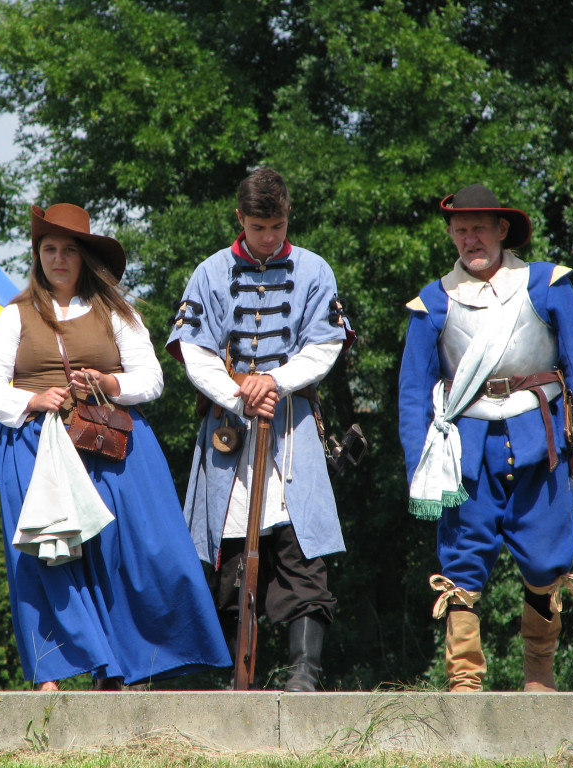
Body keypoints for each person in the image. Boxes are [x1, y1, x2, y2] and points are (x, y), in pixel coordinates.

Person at [0, 203, 231, 691]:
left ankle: (119, 668)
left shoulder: (118, 312)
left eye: (69, 250)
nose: (58, 259)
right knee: (47, 554)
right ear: (38, 256)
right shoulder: (15, 315)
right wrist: (33, 397)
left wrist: (109, 381)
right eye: (49, 249)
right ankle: (49, 672)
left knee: (130, 549)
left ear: (84, 257)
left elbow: (152, 379)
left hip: (108, 442)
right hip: (33, 444)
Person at [398, 183, 573, 692]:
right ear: (451, 235)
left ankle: (539, 673)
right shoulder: (431, 303)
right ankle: (464, 679)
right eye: (460, 230)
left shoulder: (547, 284)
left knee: (546, 558)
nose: (470, 240)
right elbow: (412, 395)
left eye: (479, 229)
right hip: (465, 450)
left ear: (501, 231)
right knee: (462, 560)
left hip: (543, 439)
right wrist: (417, 468)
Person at [166, 168, 350, 691]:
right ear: (240, 220)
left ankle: (304, 674)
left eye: (277, 225)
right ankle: (228, 676)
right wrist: (240, 394)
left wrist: (274, 384)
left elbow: (325, 345)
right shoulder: (208, 273)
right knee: (224, 561)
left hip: (292, 432)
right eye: (258, 227)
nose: (268, 237)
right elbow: (195, 352)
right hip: (228, 436)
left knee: (302, 551)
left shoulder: (315, 271)